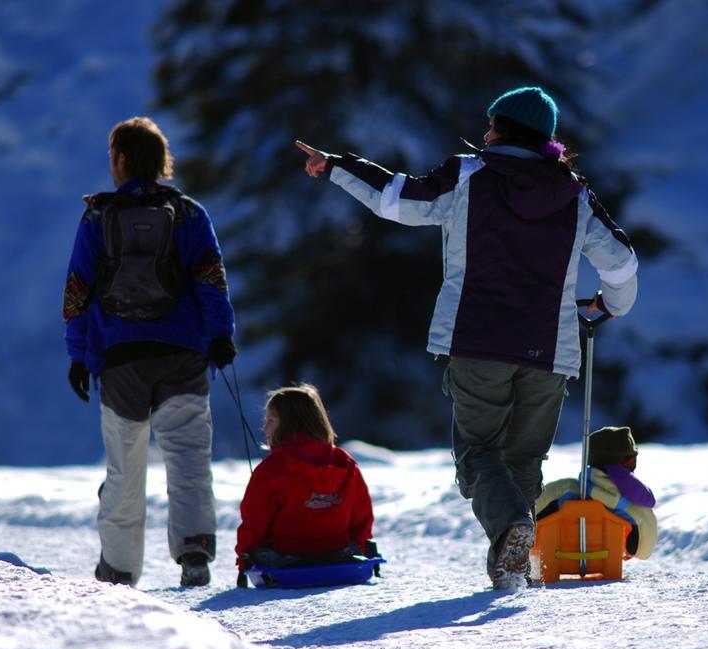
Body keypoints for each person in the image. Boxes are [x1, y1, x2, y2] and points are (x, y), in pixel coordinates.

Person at [295, 86, 638, 589]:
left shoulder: (467, 176)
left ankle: (513, 532)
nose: (484, 134)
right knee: (522, 459)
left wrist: (335, 167)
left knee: (479, 456)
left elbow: (396, 200)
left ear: (505, 130)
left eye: (491, 124)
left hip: (477, 340)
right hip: (551, 349)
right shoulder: (574, 194)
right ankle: (511, 562)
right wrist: (608, 305)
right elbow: (622, 262)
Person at [62, 116, 237, 587]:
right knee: (188, 457)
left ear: (120, 160)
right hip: (182, 353)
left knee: (125, 465)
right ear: (161, 162)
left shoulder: (98, 216)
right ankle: (194, 551)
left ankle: (118, 568)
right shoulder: (189, 213)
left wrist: (79, 355)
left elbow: (78, 289)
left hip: (121, 358)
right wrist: (220, 334)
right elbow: (210, 278)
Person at [235, 384, 374, 574]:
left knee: (262, 552)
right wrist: (362, 550)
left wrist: (245, 559)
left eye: (271, 420)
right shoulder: (344, 463)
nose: (264, 427)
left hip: (286, 559)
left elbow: (254, 523)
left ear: (291, 424)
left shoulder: (271, 470)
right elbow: (361, 517)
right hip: (339, 554)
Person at [535, 426, 658, 559]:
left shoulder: (565, 489)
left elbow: (534, 508)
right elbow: (644, 549)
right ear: (627, 464)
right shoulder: (635, 507)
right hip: (607, 558)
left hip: (557, 556)